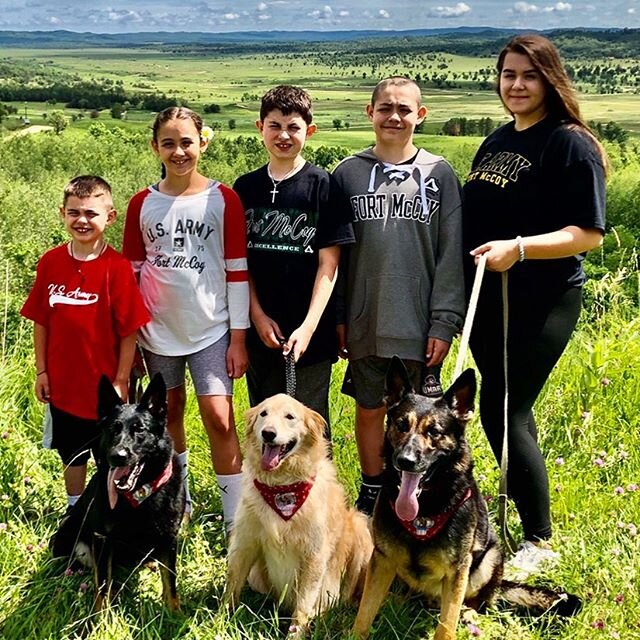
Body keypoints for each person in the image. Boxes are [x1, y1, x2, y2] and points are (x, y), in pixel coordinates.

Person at [462, 34, 606, 575]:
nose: (516, 85)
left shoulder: (569, 143)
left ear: (550, 79)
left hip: (542, 298)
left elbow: (587, 232)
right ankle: (520, 520)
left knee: (507, 411)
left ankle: (540, 540)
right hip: (487, 296)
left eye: (528, 75)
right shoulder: (496, 141)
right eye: (508, 75)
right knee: (502, 411)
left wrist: (519, 249)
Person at [333, 77, 465, 515]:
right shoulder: (347, 173)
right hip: (366, 321)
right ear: (369, 113)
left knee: (424, 422)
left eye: (404, 109)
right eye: (385, 108)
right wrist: (340, 319)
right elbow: (337, 258)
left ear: (420, 116)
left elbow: (451, 255)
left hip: (420, 325)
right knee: (371, 409)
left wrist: (444, 321)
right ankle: (373, 491)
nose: (394, 116)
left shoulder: (439, 174)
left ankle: (415, 494)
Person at [122, 107, 249, 529]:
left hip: (212, 328)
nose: (179, 152)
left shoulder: (222, 198)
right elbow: (132, 276)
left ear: (203, 143)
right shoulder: (142, 203)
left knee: (218, 416)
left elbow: (236, 269)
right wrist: (132, 338)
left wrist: (238, 337)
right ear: (155, 146)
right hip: (157, 332)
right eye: (169, 143)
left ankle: (235, 520)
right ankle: (180, 501)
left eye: (187, 142)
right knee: (168, 413)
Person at [21, 175, 150, 509]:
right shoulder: (51, 262)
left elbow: (129, 331)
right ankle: (75, 509)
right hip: (64, 387)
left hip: (106, 392)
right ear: (62, 213)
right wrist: (41, 371)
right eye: (74, 212)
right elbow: (41, 321)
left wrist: (121, 380)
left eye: (91, 213)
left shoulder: (117, 268)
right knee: (72, 453)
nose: (82, 220)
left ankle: (111, 512)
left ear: (110, 217)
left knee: (112, 454)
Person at [233, 85, 354, 430]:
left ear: (309, 131)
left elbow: (329, 265)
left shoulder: (324, 186)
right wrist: (256, 314)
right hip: (261, 331)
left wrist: (309, 327)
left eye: (293, 127)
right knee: (265, 425)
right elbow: (240, 262)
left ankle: (315, 486)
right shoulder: (246, 188)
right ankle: (266, 486)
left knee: (308, 426)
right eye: (274, 126)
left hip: (311, 335)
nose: (283, 135)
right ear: (260, 128)